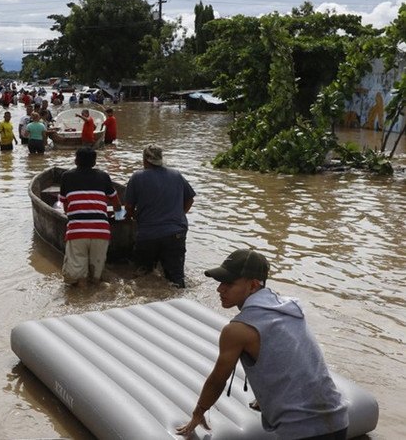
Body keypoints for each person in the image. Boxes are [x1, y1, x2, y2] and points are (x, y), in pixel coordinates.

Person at [176, 249, 349, 440]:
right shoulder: (290, 309)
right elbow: (289, 358)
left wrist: (198, 413)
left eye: (229, 283)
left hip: (301, 431)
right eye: (220, 282)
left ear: (253, 286)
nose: (220, 289)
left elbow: (217, 381)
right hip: (338, 419)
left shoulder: (237, 331)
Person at [124, 144, 195, 288]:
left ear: (145, 160)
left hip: (148, 234)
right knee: (176, 279)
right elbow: (190, 199)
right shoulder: (176, 174)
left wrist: (132, 218)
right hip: (176, 233)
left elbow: (129, 207)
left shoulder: (137, 177)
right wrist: (179, 215)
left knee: (143, 277)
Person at [58, 147, 123, 286]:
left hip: (77, 232)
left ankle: (82, 301)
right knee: (96, 277)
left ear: (76, 161)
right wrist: (120, 219)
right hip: (101, 231)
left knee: (78, 277)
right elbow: (117, 204)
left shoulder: (67, 177)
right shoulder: (103, 176)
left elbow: (65, 206)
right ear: (94, 163)